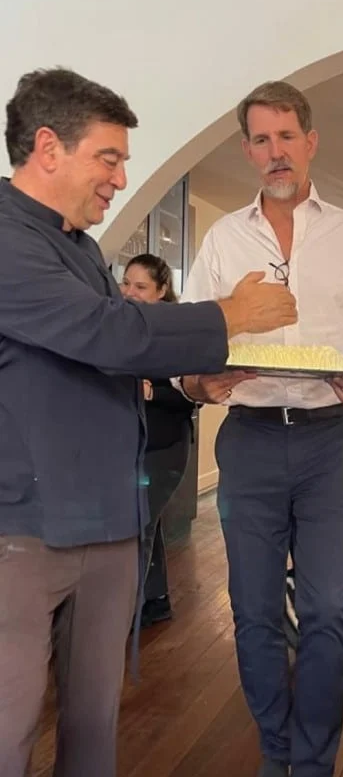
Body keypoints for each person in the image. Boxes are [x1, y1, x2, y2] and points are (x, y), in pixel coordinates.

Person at [0, 67, 297, 777]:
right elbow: (105, 332)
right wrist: (227, 316)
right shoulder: (7, 239)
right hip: (21, 530)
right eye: (109, 157)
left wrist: (197, 381)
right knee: (7, 726)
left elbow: (114, 358)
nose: (120, 177)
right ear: (47, 148)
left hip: (106, 522)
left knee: (94, 712)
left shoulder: (82, 250)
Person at [180, 80, 343, 777]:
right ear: (247, 150)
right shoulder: (223, 242)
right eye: (261, 139)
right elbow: (193, 343)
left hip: (329, 440)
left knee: (327, 610)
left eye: (287, 136)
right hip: (247, 438)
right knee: (250, 611)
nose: (275, 152)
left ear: (310, 142)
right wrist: (198, 381)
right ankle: (274, 753)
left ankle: (312, 774)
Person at [121, 254, 193, 627]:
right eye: (126, 283)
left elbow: (192, 396)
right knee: (148, 523)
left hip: (165, 449)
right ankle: (156, 599)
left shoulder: (176, 336)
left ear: (162, 291)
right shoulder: (123, 328)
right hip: (132, 446)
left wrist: (152, 392)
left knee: (138, 527)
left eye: (141, 286)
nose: (129, 292)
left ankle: (123, 616)